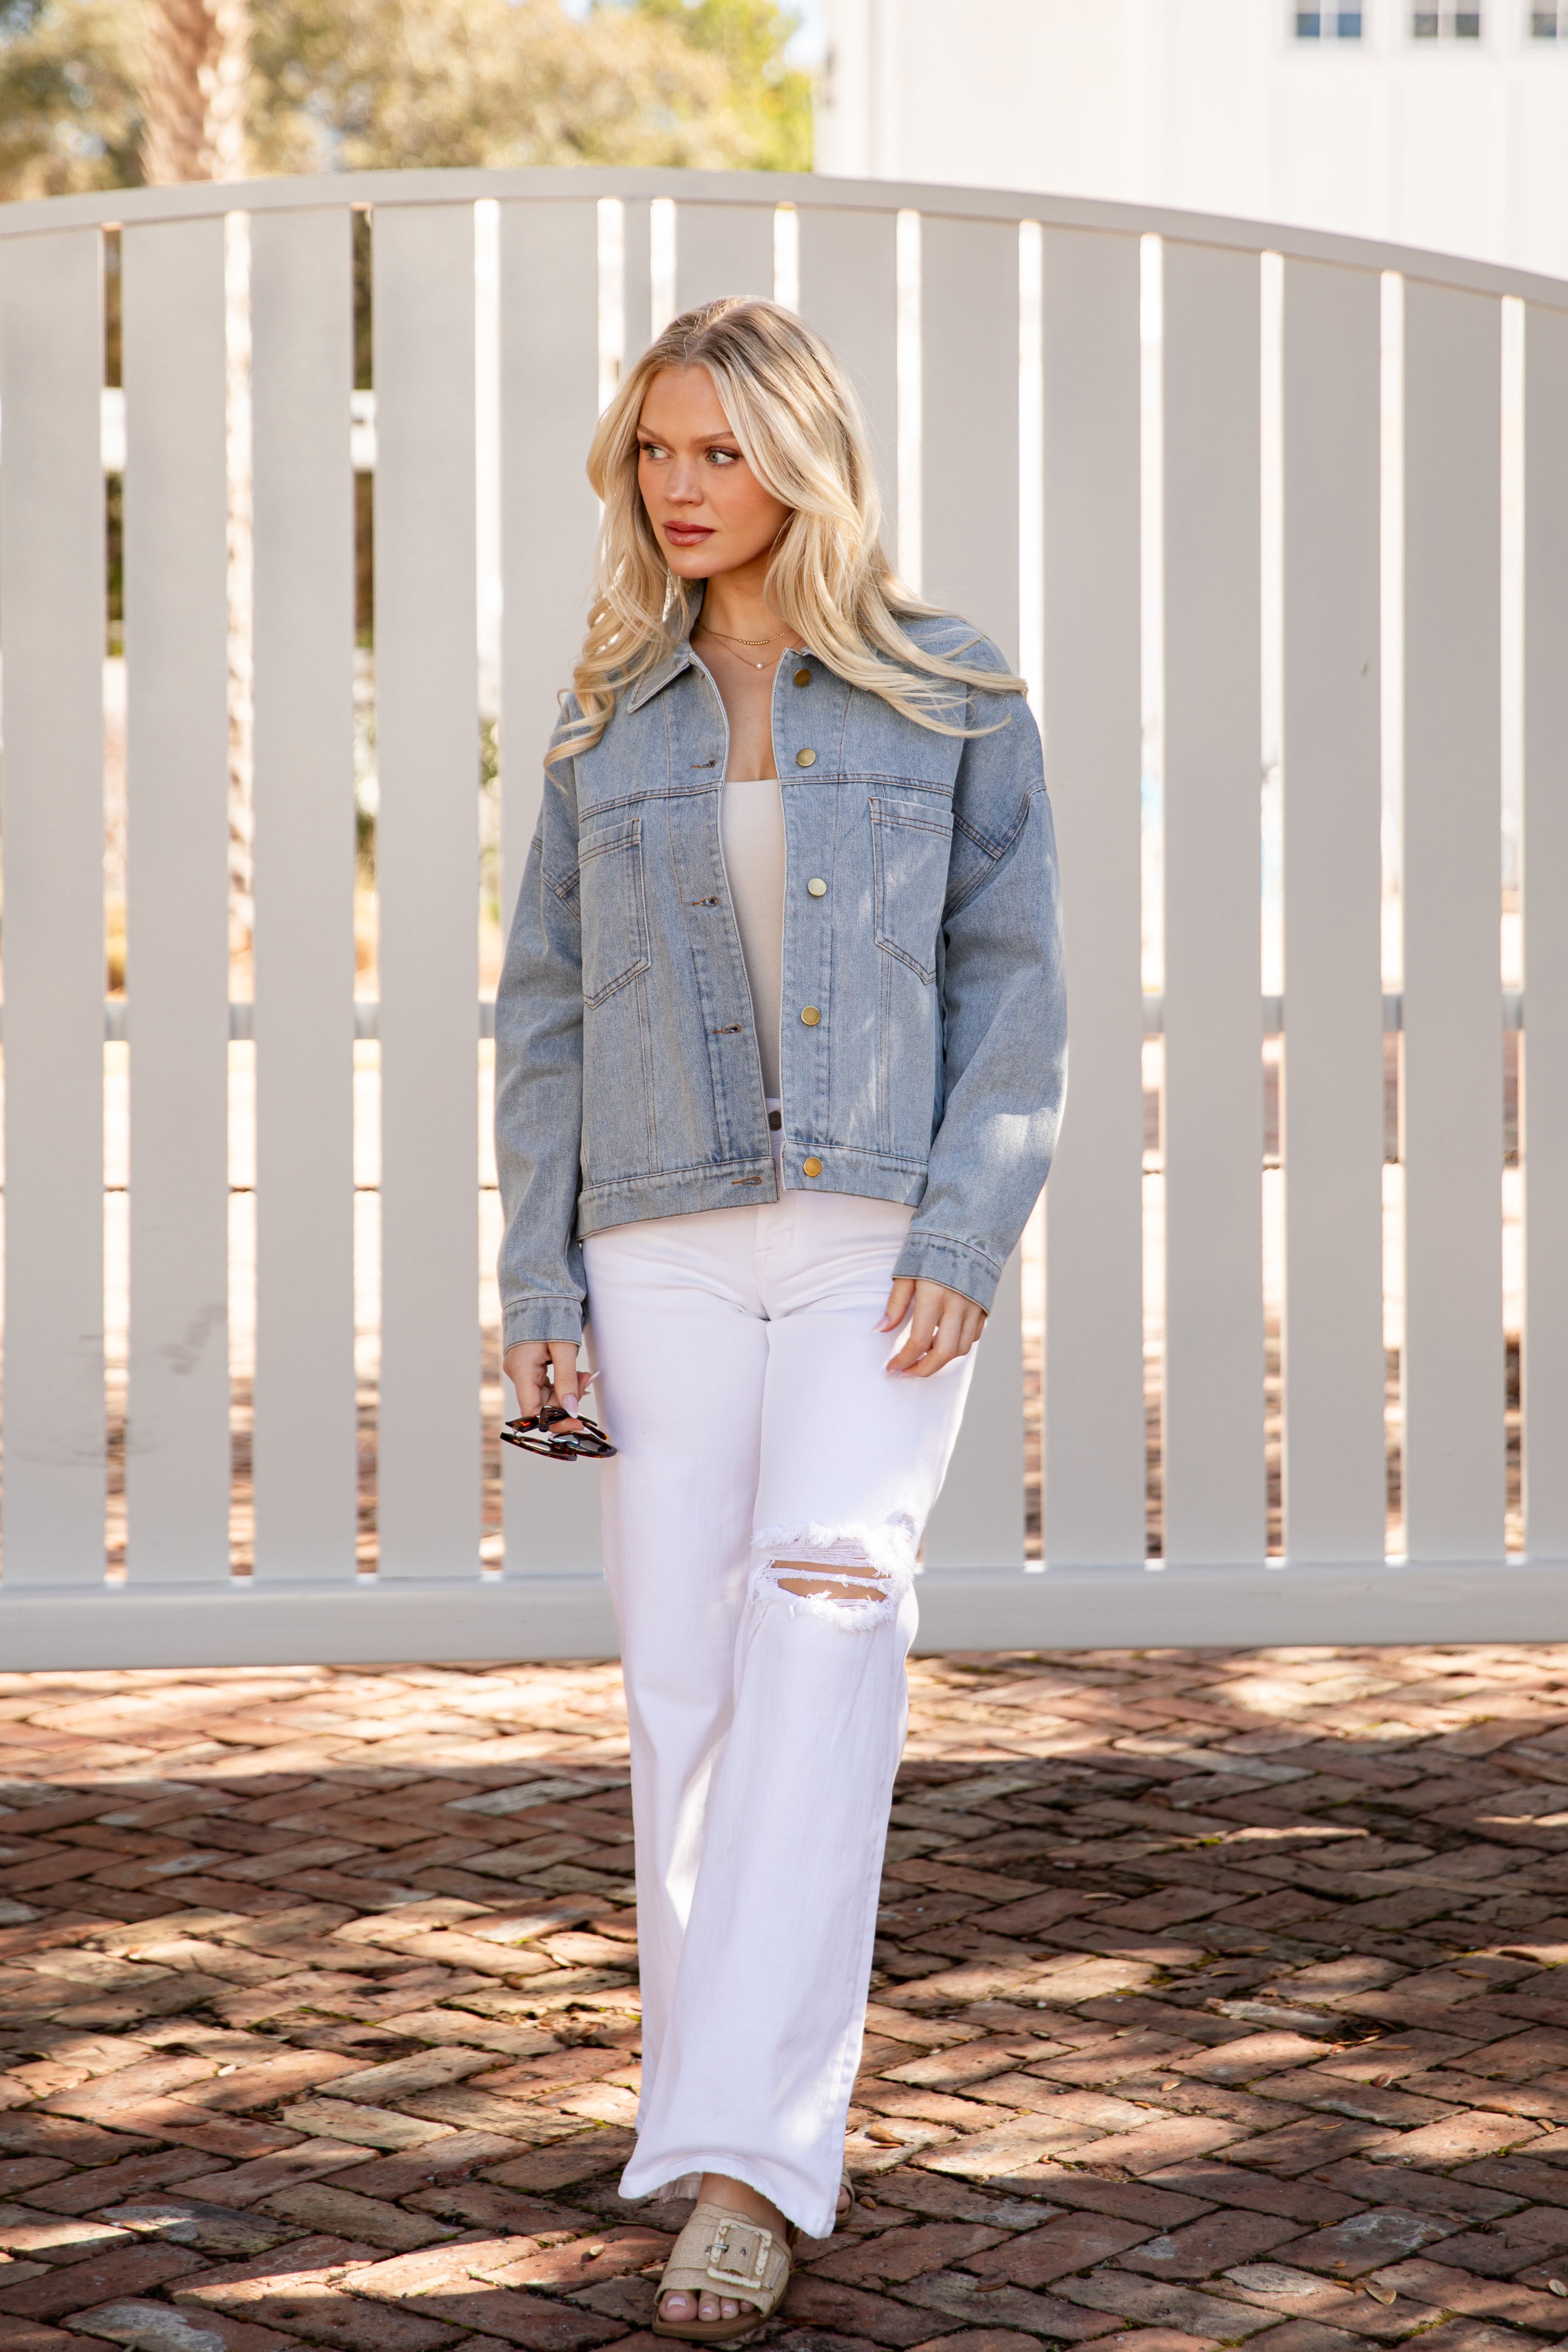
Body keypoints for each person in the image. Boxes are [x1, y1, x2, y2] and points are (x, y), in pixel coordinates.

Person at [495, 296, 1066, 2343]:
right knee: (688, 1692)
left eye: (717, 452)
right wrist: (535, 1280)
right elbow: (544, 1016)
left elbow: (1015, 979)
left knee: (828, 1615)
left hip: (867, 1236)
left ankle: (749, 2165)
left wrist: (966, 1224)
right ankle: (703, 2112)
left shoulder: (951, 689)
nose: (679, 487)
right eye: (654, 451)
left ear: (801, 460)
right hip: (653, 1239)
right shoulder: (604, 711)